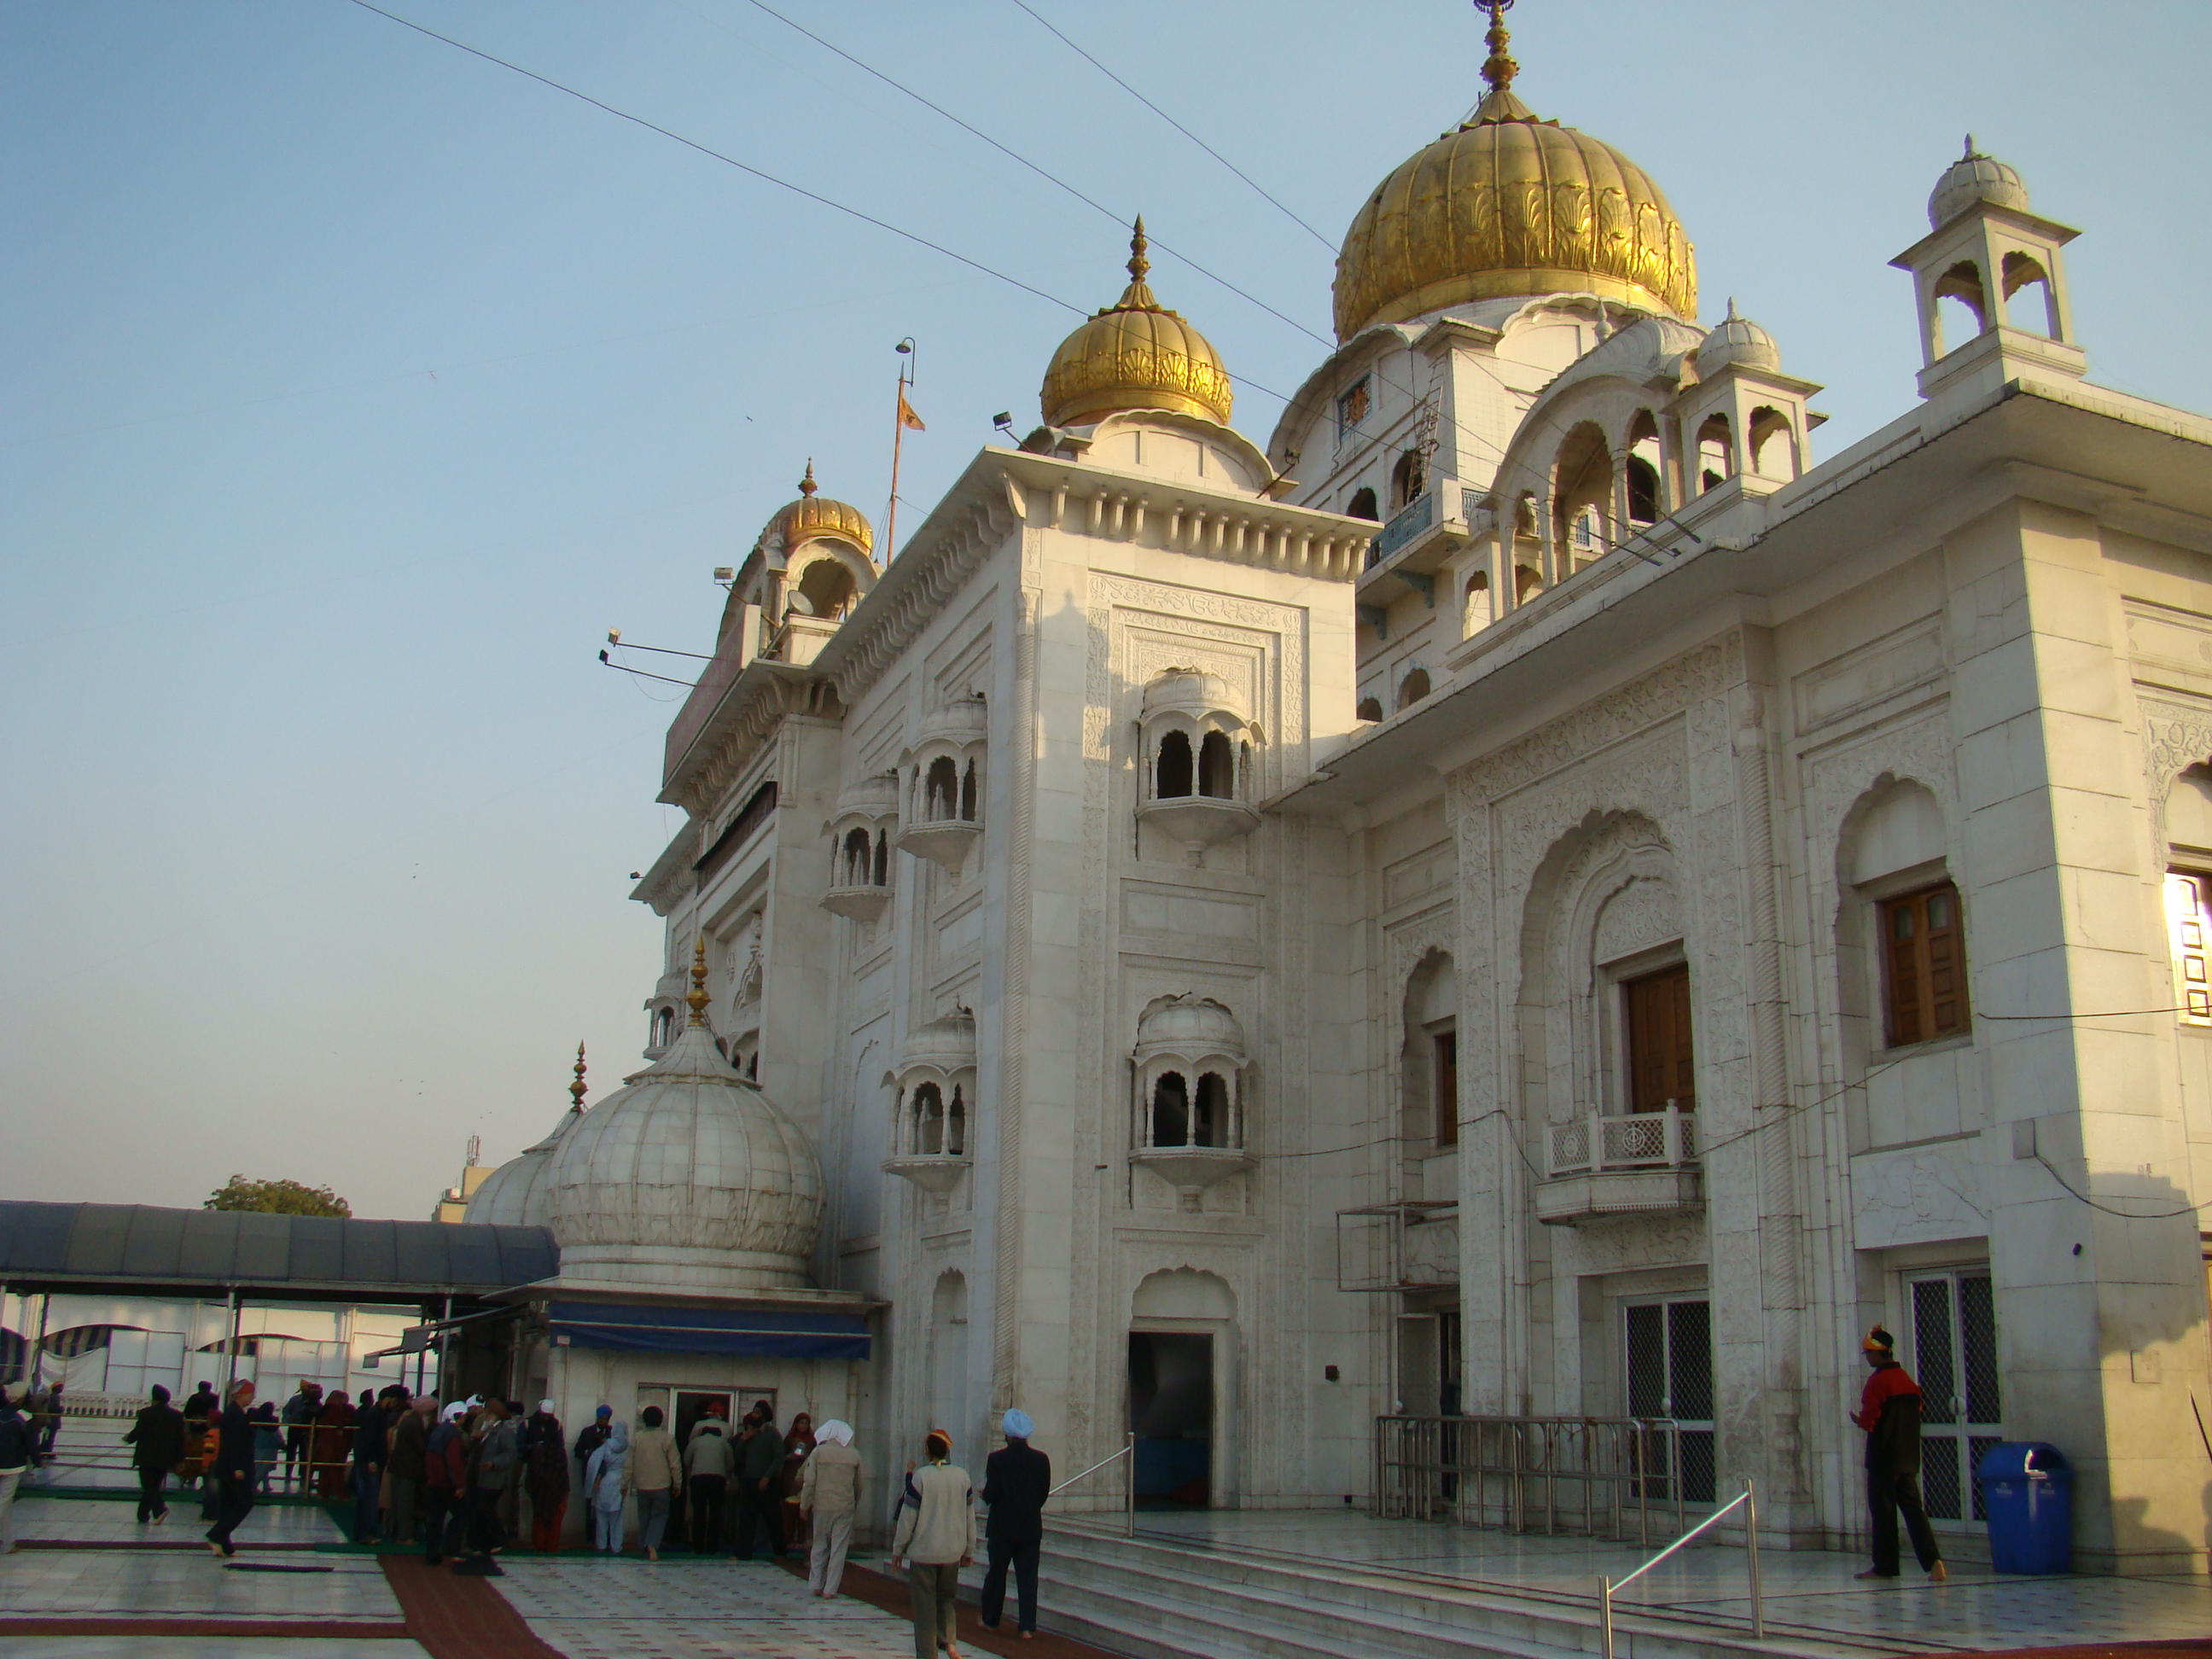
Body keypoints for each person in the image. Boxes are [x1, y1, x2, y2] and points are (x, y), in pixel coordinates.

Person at [1851, 1324, 1947, 1583]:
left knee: (1884, 1513)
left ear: (1879, 1353)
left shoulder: (1877, 1382)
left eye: (1868, 1353)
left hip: (1883, 1458)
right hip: (1907, 1459)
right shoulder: (1907, 1382)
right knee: (1914, 1511)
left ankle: (1885, 1566)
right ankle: (1934, 1562)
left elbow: (1871, 1420)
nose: (1867, 1358)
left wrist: (1858, 1421)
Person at [890, 1429, 974, 1659]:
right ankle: (949, 1642)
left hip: (925, 1551)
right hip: (952, 1550)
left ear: (927, 1451)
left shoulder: (921, 1477)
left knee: (924, 1604)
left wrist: (898, 1549)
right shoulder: (962, 1476)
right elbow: (970, 1517)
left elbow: (908, 1518)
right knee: (947, 1599)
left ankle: (927, 1653)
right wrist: (969, 1549)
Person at [981, 1408, 1052, 1639]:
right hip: (1029, 1526)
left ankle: (991, 1620)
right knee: (1028, 1578)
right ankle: (1027, 1626)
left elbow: (993, 1493)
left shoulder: (996, 1459)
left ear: (1007, 1434)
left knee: (997, 1575)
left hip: (1002, 1527)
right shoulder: (1041, 1460)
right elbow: (1042, 1493)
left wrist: (984, 1495)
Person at [800, 1417, 862, 1598]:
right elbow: (859, 1485)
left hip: (822, 1505)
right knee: (838, 1548)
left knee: (819, 1544)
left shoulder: (818, 1452)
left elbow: (809, 1481)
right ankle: (830, 1589)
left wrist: (804, 1505)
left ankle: (815, 1585)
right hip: (845, 1507)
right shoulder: (854, 1454)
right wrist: (854, 1502)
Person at [453, 1399, 516, 1576]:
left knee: (485, 1509)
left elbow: (510, 1453)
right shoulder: (486, 1432)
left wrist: (494, 1463)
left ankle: (499, 1539)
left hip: (493, 1479)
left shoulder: (503, 1433)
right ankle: (479, 1544)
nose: (485, 1417)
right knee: (476, 1511)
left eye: (488, 1414)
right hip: (478, 1478)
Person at [204, 1379, 259, 1558]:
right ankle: (215, 1535)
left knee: (228, 1506)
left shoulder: (233, 1412)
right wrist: (238, 1468)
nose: (252, 1398)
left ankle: (225, 1545)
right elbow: (233, 1444)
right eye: (250, 1395)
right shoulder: (235, 1415)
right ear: (242, 1395)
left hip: (226, 1467)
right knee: (244, 1503)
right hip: (235, 1468)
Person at [125, 1384, 185, 1524]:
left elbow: (138, 1432)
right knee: (153, 1486)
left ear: (154, 1399)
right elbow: (180, 1440)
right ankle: (142, 1515)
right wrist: (180, 1459)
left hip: (147, 1457)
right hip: (165, 1458)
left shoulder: (146, 1413)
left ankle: (160, 1509)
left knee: (148, 1486)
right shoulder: (176, 1415)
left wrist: (128, 1438)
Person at [733, 1407, 787, 1560]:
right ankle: (743, 1553)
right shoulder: (748, 1433)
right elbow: (738, 1455)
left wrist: (767, 1477)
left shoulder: (772, 1433)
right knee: (746, 1518)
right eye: (754, 1412)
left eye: (757, 1412)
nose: (754, 1415)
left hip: (768, 1482)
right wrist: (745, 1438)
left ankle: (780, 1552)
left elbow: (779, 1457)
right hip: (749, 1480)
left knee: (773, 1518)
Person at [628, 1404, 681, 1562]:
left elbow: (628, 1463)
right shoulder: (667, 1438)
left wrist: (624, 1484)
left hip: (642, 1485)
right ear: (661, 1420)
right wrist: (677, 1483)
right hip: (661, 1485)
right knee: (659, 1516)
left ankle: (643, 1546)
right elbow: (675, 1464)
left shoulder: (637, 1438)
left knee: (644, 1516)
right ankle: (652, 1545)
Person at [683, 1408, 733, 1554]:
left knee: (699, 1512)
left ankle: (698, 1546)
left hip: (698, 1478)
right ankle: (713, 1546)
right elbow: (730, 1464)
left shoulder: (695, 1442)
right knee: (715, 1512)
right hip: (718, 1479)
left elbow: (686, 1460)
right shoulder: (724, 1443)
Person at [422, 1402, 466, 1566]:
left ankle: (432, 1554)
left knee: (435, 1520)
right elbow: (454, 1462)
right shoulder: (453, 1435)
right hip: (447, 1484)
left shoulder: (438, 1431)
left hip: (434, 1482)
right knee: (461, 1515)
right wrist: (459, 1484)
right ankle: (452, 1549)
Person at [522, 1400, 569, 1551]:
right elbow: (520, 1446)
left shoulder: (557, 1426)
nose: (546, 1418)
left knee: (552, 1512)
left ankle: (548, 1543)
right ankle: (531, 1539)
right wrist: (533, 1449)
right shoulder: (527, 1424)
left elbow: (560, 1449)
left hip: (552, 1475)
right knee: (535, 1510)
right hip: (533, 1471)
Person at [0, 1382, 41, 1555]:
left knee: (6, 1505)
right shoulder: (24, 1417)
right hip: (12, 1466)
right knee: (3, 1502)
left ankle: (8, 1543)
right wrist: (38, 1461)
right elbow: (32, 1444)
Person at [387, 1395, 433, 1545]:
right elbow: (421, 1447)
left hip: (399, 1467)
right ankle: (404, 1536)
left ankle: (396, 1533)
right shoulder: (415, 1423)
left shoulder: (408, 1420)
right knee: (406, 1503)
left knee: (399, 1503)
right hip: (408, 1469)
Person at [584, 1417, 630, 1554]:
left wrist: (591, 1483)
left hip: (605, 1481)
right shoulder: (629, 1447)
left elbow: (593, 1463)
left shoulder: (606, 1445)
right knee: (617, 1518)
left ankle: (601, 1545)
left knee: (601, 1516)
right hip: (620, 1481)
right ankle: (616, 1546)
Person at [351, 1389, 389, 1543]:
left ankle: (362, 1533)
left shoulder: (370, 1413)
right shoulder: (376, 1416)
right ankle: (366, 1533)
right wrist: (371, 1460)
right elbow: (370, 1440)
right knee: (369, 1499)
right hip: (369, 1463)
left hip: (365, 1462)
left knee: (365, 1498)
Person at [780, 1412, 816, 1551]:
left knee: (804, 1510)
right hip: (790, 1477)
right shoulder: (789, 1439)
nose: (803, 1426)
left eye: (806, 1423)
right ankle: (788, 1539)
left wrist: (807, 1457)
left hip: (806, 1478)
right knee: (789, 1511)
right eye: (801, 1423)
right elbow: (781, 1456)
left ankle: (801, 1540)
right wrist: (789, 1457)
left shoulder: (812, 1440)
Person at [311, 1387, 355, 1499]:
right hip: (336, 1445)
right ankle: (337, 1492)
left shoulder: (325, 1410)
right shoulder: (341, 1410)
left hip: (328, 1445)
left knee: (326, 1469)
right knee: (336, 1469)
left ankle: (324, 1491)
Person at [280, 1381, 320, 1490]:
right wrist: (289, 1419)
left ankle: (303, 1477)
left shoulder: (314, 1402)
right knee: (291, 1453)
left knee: (304, 1454)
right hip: (294, 1428)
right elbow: (286, 1411)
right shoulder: (295, 1400)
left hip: (306, 1430)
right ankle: (288, 1475)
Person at [573, 1404, 613, 1487]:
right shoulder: (587, 1432)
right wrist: (588, 1452)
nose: (604, 1422)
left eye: (606, 1420)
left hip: (607, 1475)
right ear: (598, 1418)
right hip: (589, 1472)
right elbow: (577, 1451)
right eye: (602, 1419)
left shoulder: (612, 1433)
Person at [249, 1400, 281, 1494]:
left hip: (257, 1445)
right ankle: (253, 1485)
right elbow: (277, 1435)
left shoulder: (256, 1419)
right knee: (265, 1468)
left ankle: (264, 1485)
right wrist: (282, 1443)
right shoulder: (272, 1421)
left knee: (258, 1467)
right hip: (270, 1446)